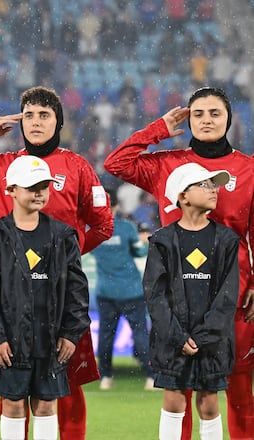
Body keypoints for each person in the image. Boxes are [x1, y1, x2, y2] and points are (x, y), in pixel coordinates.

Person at [0, 86, 111, 439]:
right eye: (29, 115)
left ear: (58, 122)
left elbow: (103, 225)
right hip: (10, 299)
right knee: (11, 392)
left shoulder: (77, 166)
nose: (35, 121)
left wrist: (63, 260)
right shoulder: (1, 165)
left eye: (44, 115)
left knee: (69, 389)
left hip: (59, 298)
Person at [104, 86, 254, 440]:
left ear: (229, 119)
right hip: (176, 299)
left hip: (233, 296)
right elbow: (115, 164)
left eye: (215, 113)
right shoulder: (167, 164)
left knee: (239, 392)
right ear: (188, 120)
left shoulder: (249, 169)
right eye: (197, 114)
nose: (206, 120)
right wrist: (157, 130)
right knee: (177, 393)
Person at [0, 155, 91, 440]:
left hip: (51, 340)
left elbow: (77, 291)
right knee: (13, 405)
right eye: (31, 187)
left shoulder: (63, 235)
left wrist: (71, 334)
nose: (39, 193)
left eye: (43, 186)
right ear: (11, 190)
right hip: (10, 340)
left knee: (47, 405)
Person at [143, 163, 239, 440]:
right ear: (182, 196)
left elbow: (227, 296)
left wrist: (204, 336)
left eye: (214, 185)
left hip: (212, 341)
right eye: (204, 185)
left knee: (209, 404)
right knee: (173, 402)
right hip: (172, 340)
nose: (213, 190)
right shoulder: (162, 240)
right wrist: (177, 336)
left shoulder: (226, 240)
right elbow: (155, 295)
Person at [90, 190, 154, 391]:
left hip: (105, 291)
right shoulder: (126, 228)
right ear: (117, 206)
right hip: (130, 290)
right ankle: (151, 377)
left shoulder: (92, 230)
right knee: (140, 334)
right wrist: (145, 242)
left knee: (106, 336)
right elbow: (139, 251)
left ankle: (106, 377)